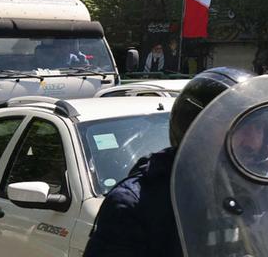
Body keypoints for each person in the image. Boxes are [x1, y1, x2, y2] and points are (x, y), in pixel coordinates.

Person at [83, 67, 257, 257]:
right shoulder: (136, 205)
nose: (253, 141)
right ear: (197, 129)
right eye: (238, 127)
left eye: (261, 127)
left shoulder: (262, 194)